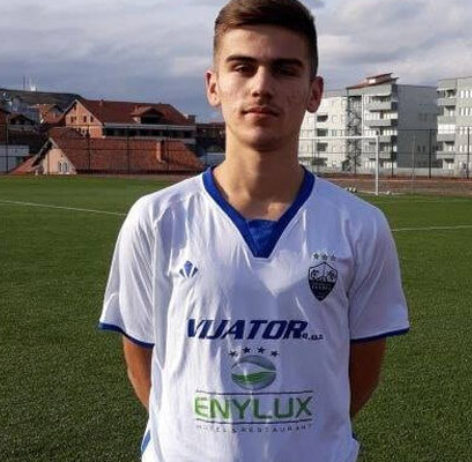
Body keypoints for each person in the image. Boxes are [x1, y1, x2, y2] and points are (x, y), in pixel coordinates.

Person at [99, 0, 410, 460]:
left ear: (314, 92)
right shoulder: (157, 218)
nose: (262, 86)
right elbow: (140, 354)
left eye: (285, 70)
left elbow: (361, 372)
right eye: (243, 67)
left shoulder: (360, 225)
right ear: (214, 85)